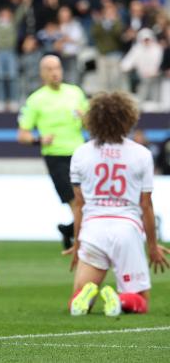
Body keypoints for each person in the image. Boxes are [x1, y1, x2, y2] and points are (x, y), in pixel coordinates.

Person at [65, 91, 169, 316]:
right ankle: (120, 301)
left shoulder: (81, 153)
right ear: (128, 118)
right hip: (126, 228)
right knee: (139, 302)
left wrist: (77, 243)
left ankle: (89, 296)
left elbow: (79, 204)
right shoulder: (141, 154)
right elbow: (146, 205)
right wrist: (152, 245)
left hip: (93, 228)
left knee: (79, 295)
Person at [18, 55, 88, 249]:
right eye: (49, 69)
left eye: (57, 68)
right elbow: (22, 134)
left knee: (86, 202)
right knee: (75, 201)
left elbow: (91, 123)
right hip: (56, 156)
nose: (54, 72)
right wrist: (39, 139)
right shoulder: (36, 99)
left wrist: (85, 118)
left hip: (80, 154)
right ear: (42, 73)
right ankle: (80, 247)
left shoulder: (75, 93)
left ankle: (69, 231)